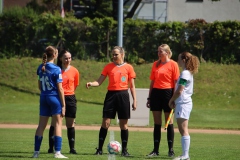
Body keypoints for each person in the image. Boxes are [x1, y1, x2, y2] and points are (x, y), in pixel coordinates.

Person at [86, 46, 137, 157]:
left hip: (123, 95)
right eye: (112, 54)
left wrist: (135, 100)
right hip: (111, 96)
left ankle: (124, 150)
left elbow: (132, 86)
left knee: (123, 124)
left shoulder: (129, 67)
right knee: (106, 122)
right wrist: (91, 83)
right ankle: (99, 149)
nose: (113, 56)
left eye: (116, 54)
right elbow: (99, 82)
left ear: (122, 54)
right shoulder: (108, 67)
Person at [32, 46, 68, 158]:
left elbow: (39, 85)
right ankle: (57, 152)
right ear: (55, 55)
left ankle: (36, 153)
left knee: (41, 126)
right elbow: (60, 88)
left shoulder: (40, 67)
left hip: (43, 97)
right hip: (54, 98)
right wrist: (63, 105)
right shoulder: (57, 69)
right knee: (58, 124)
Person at [146, 44, 180, 157]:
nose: (159, 53)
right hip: (156, 93)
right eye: (158, 51)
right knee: (157, 123)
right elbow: (152, 82)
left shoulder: (173, 64)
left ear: (167, 52)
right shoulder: (156, 64)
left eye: (161, 52)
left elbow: (176, 82)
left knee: (169, 122)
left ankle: (171, 150)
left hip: (168, 93)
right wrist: (149, 97)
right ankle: (155, 150)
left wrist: (174, 98)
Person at [169, 52, 200, 160]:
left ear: (183, 60)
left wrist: (171, 100)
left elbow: (180, 90)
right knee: (183, 130)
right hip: (182, 103)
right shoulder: (186, 73)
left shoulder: (185, 73)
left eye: (178, 59)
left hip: (183, 103)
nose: (177, 61)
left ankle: (185, 155)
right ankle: (185, 155)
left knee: (183, 130)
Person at [48, 50, 80, 154]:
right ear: (60, 58)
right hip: (57, 98)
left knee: (70, 124)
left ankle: (72, 148)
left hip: (70, 98)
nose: (68, 60)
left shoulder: (75, 71)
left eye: (69, 58)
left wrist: (68, 93)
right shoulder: (56, 70)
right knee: (55, 123)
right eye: (66, 58)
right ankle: (51, 148)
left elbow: (75, 85)